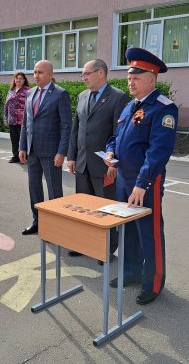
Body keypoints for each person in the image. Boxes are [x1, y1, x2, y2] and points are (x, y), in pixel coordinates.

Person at [105, 47, 178, 305]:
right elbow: (116, 138)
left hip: (145, 183)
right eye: (128, 77)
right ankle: (132, 272)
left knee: (149, 232)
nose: (130, 81)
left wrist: (141, 184)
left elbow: (158, 152)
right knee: (129, 231)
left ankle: (154, 282)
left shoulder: (163, 109)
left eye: (137, 76)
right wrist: (110, 153)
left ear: (152, 78)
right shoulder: (129, 107)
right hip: (124, 179)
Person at [66, 59, 129, 262]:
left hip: (104, 166)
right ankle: (85, 243)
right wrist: (72, 156)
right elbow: (76, 129)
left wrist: (115, 163)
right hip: (82, 163)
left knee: (106, 209)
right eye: (82, 74)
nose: (83, 78)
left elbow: (119, 134)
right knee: (84, 207)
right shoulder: (82, 96)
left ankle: (107, 249)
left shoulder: (118, 98)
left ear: (100, 73)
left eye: (86, 74)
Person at [19, 60, 72, 235]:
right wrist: (22, 147)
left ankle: (56, 226)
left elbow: (66, 126)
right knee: (34, 188)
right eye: (34, 72)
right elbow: (26, 123)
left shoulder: (60, 94)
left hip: (51, 152)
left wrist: (61, 152)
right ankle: (38, 222)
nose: (36, 76)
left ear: (50, 74)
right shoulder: (30, 93)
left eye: (40, 72)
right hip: (32, 150)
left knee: (54, 190)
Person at [3, 72, 30, 163]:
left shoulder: (28, 91)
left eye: (20, 78)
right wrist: (5, 118)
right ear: (14, 80)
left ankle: (25, 157)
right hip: (12, 120)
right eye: (17, 78)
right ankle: (16, 156)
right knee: (14, 139)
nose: (18, 80)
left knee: (23, 139)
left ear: (24, 80)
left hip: (23, 120)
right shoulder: (11, 91)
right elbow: (6, 105)